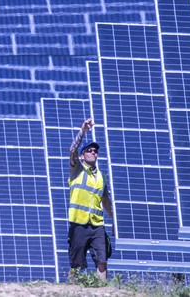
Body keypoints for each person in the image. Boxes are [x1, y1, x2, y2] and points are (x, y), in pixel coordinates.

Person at [68, 117, 113, 281]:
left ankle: (101, 290)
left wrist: (115, 221)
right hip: (78, 223)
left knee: (102, 259)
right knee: (77, 263)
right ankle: (72, 289)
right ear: (82, 156)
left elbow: (106, 201)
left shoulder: (102, 177)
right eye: (89, 150)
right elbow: (72, 150)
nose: (93, 152)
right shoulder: (76, 169)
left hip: (97, 224)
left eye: (95, 151)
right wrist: (82, 131)